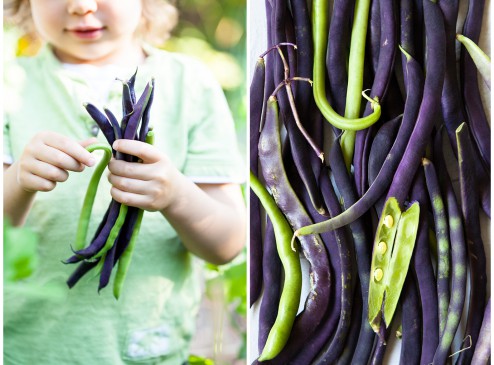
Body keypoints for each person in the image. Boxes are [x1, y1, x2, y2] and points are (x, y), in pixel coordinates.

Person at [3, 0, 246, 364]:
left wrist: (176, 195)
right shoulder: (8, 86)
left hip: (150, 350)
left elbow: (226, 244)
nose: (82, 6)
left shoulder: (190, 84)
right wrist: (17, 182)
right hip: (25, 350)